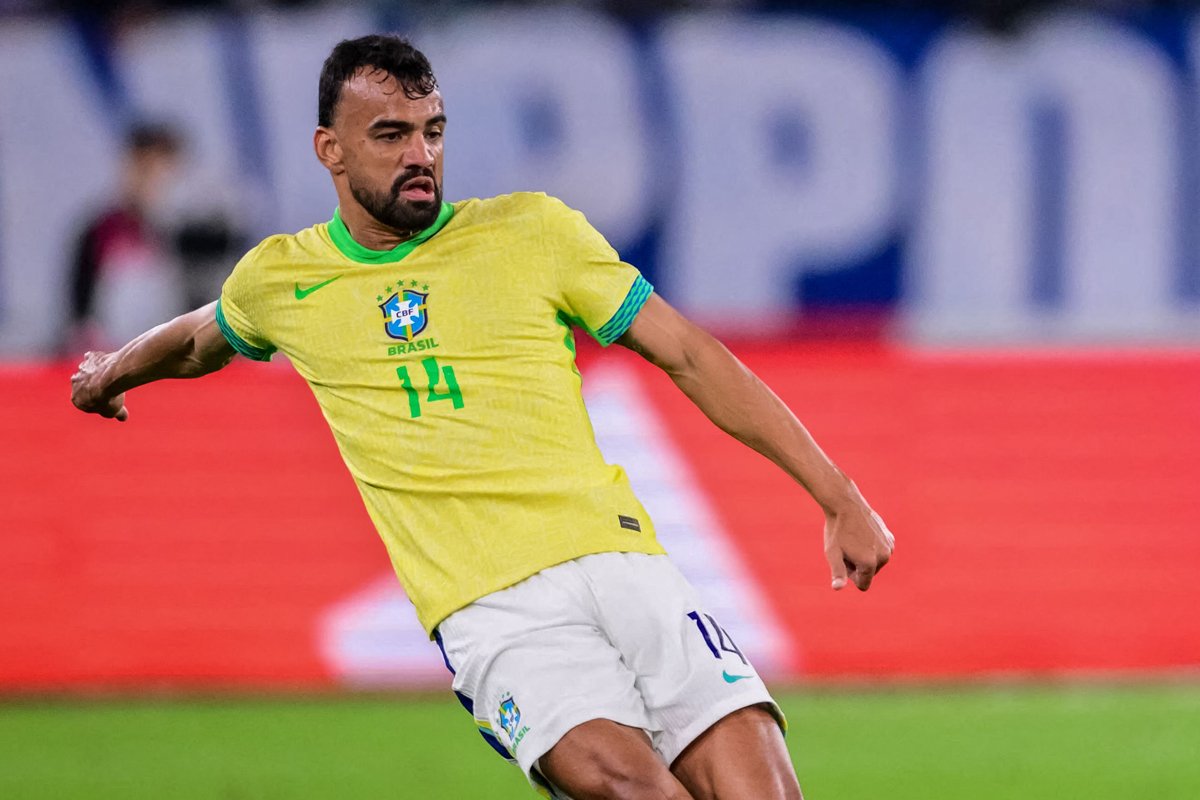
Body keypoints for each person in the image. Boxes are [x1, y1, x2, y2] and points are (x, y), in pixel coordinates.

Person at [71, 35, 893, 800]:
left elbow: (689, 354)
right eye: (390, 134)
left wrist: (838, 494)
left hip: (623, 561)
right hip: (493, 609)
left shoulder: (532, 229)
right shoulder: (285, 280)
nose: (420, 155)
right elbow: (195, 338)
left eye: (432, 130)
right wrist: (111, 372)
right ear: (331, 149)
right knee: (638, 791)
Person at [66, 121, 187, 354]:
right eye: (144, 169)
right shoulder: (100, 233)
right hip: (112, 362)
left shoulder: (192, 238)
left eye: (162, 171)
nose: (152, 181)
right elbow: (78, 319)